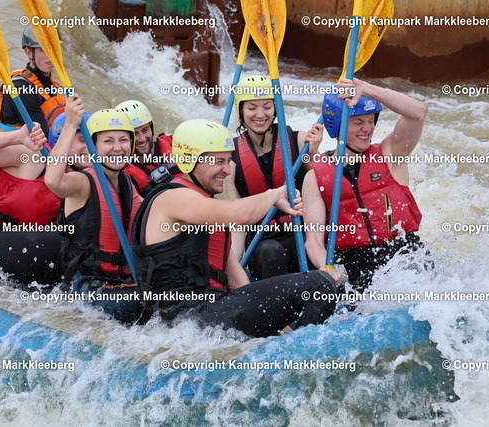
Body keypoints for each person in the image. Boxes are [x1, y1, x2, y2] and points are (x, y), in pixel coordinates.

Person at [132, 119, 338, 338]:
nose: (227, 170)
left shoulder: (203, 207)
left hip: (210, 314)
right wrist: (275, 194)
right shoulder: (172, 197)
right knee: (319, 284)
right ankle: (303, 353)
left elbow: (238, 281)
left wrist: (281, 330)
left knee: (308, 302)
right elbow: (240, 215)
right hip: (186, 320)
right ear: (189, 160)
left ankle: (294, 345)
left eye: (229, 161)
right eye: (218, 161)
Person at [303, 78, 427, 292]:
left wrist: (367, 90)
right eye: (358, 122)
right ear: (337, 125)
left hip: (403, 256)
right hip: (355, 265)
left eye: (371, 120)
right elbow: (313, 240)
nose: (367, 128)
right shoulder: (315, 176)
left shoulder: (391, 153)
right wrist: (328, 270)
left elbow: (418, 112)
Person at [0, 99, 82, 287]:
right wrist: (17, 137)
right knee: (67, 247)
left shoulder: (84, 180)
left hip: (14, 248)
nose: (89, 148)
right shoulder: (34, 156)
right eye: (82, 141)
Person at [45, 105, 145, 324]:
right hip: (85, 287)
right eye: (108, 141)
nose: (117, 148)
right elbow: (53, 180)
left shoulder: (127, 184)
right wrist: (71, 124)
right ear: (93, 147)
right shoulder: (83, 181)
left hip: (121, 280)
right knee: (151, 301)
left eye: (123, 140)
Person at [224, 75, 324, 279]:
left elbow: (322, 189)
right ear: (241, 111)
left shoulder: (300, 141)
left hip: (301, 235)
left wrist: (313, 153)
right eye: (252, 108)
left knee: (306, 250)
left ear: (275, 108)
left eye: (267, 107)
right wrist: (230, 269)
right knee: (271, 251)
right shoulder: (230, 158)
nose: (260, 114)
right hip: (260, 244)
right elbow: (237, 222)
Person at [0, 27, 66, 137]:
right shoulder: (21, 87)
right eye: (43, 49)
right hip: (21, 146)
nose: (51, 55)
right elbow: (42, 136)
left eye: (54, 48)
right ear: (29, 52)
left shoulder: (52, 84)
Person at [114, 100, 181, 196]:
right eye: (134, 134)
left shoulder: (173, 143)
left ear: (152, 129)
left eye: (145, 130)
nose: (142, 139)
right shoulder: (123, 175)